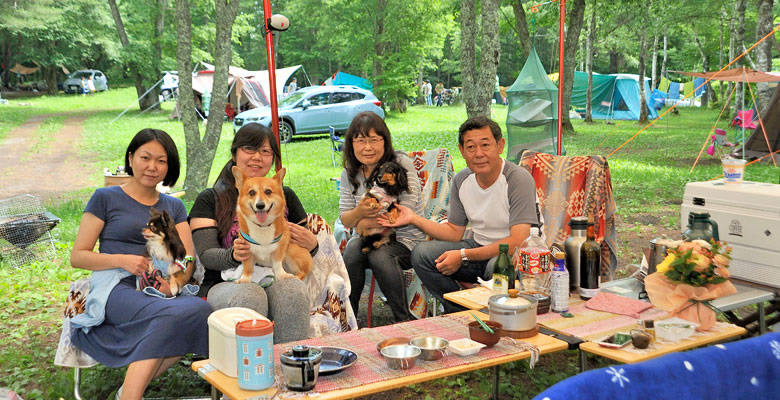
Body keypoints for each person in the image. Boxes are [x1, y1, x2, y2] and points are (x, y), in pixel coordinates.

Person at [69, 129, 211, 399]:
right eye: (145, 157)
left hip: (159, 286)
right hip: (116, 286)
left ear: (169, 166)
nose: (152, 166)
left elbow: (187, 258)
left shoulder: (173, 206)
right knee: (170, 316)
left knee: (200, 311)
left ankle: (126, 392)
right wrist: (122, 260)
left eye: (161, 160)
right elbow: (78, 256)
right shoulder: (105, 198)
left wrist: (174, 284)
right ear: (131, 158)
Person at [380, 116, 543, 314]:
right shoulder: (462, 180)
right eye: (471, 147)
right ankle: (459, 311)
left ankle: (496, 315)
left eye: (485, 145)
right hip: (478, 248)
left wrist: (463, 255)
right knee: (423, 254)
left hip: (515, 255)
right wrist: (414, 218)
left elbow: (518, 240)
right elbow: (454, 232)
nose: (479, 154)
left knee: (500, 266)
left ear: (500, 145)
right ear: (462, 150)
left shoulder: (517, 179)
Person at [189, 123, 314, 343]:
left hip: (273, 274)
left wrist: (313, 243)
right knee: (250, 294)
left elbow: (298, 246)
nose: (257, 157)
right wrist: (234, 254)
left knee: (292, 290)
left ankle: (291, 364)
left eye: (265, 151)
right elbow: (207, 255)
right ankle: (246, 372)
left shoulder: (284, 195)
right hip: (224, 282)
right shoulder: (209, 199)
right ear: (235, 153)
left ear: (273, 158)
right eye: (249, 149)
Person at [339, 111, 426, 323]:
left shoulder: (400, 164)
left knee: (379, 254)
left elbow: (404, 210)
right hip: (369, 237)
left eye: (373, 140)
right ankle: (349, 321)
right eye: (360, 140)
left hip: (405, 239)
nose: (367, 147)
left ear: (384, 142)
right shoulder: (350, 173)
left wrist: (364, 222)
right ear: (351, 144)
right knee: (352, 250)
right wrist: (359, 214)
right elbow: (346, 219)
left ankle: (402, 321)